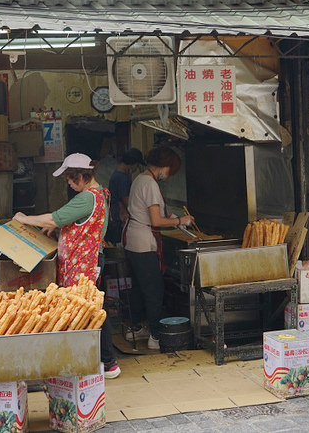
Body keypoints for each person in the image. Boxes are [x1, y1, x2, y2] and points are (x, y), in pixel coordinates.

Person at [12, 153, 121, 378]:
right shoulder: (100, 194)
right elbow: (76, 222)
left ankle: (107, 362)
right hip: (87, 261)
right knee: (92, 308)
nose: (70, 184)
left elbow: (53, 218)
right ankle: (103, 361)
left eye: (72, 179)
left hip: (85, 263)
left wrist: (24, 218)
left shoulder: (86, 198)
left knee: (88, 310)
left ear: (83, 175)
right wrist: (60, 228)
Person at [122, 146, 194, 350]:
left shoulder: (140, 178)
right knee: (154, 290)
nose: (169, 175)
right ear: (164, 167)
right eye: (170, 171)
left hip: (133, 240)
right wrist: (181, 219)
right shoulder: (151, 184)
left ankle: (136, 328)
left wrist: (171, 218)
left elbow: (151, 212)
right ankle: (155, 335)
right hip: (143, 242)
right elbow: (155, 220)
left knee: (139, 287)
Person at [106, 148, 146, 245]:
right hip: (118, 219)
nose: (136, 168)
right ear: (132, 163)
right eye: (137, 165)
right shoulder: (122, 178)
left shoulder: (117, 175)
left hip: (113, 217)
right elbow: (127, 201)